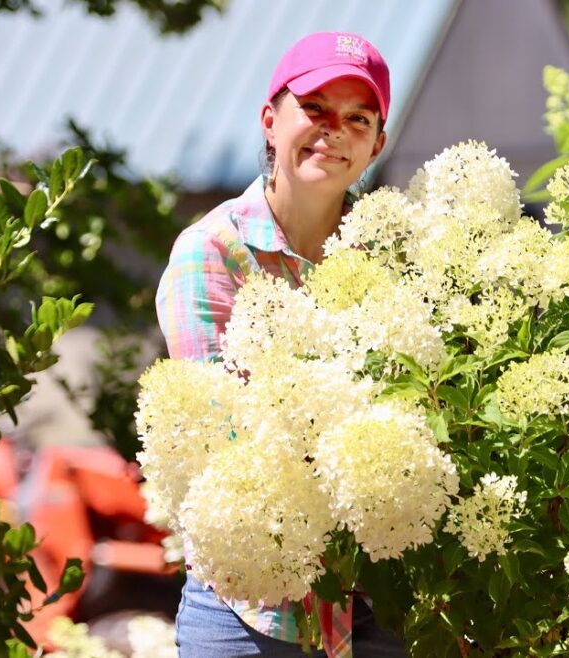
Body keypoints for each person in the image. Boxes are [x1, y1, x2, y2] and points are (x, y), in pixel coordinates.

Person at [156, 32, 407, 657]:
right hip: (252, 613)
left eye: (358, 118)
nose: (333, 130)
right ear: (270, 122)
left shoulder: (400, 253)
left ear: (377, 145)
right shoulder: (211, 252)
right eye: (314, 108)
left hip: (386, 604)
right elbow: (223, 443)